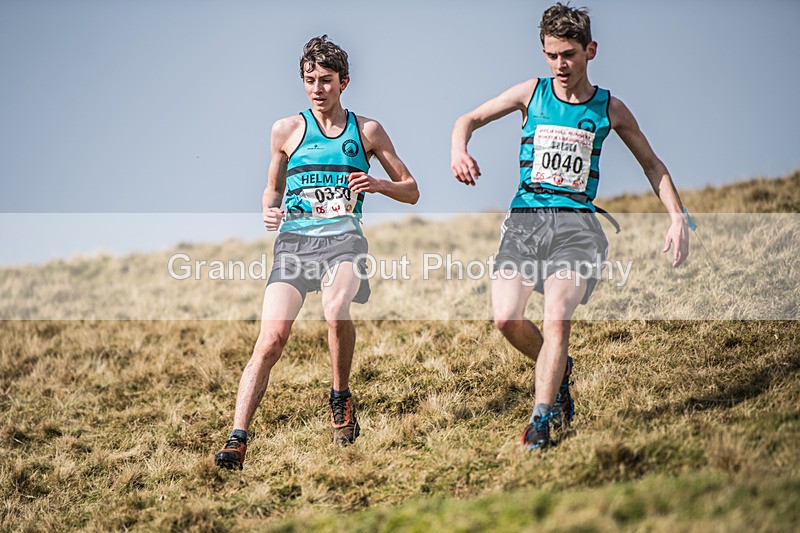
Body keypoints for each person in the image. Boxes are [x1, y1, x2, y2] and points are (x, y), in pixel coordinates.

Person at [450, 3, 689, 450]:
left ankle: (541, 421)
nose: (560, 64)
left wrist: (677, 216)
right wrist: (459, 151)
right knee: (506, 318)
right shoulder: (531, 93)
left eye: (570, 54)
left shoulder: (609, 108)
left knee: (557, 319)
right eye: (552, 54)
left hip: (577, 228)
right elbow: (468, 119)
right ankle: (558, 373)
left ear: (590, 51)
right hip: (525, 222)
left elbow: (653, 166)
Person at [215, 35, 419, 470]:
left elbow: (412, 190)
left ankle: (339, 398)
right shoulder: (286, 130)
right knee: (270, 340)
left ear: (344, 82)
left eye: (326, 80)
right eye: (310, 80)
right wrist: (269, 209)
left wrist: (379, 184)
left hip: (344, 239)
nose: (317, 89)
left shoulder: (366, 131)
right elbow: (272, 187)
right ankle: (237, 437)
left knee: (335, 308)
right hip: (294, 243)